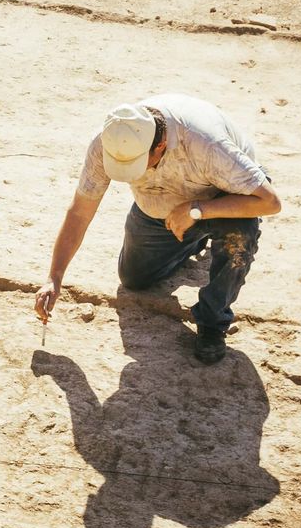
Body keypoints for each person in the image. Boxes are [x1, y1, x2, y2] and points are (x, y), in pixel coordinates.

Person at [36, 95, 283, 364]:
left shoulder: (206, 144)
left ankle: (213, 321)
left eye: (137, 165)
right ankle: (193, 240)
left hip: (223, 201)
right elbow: (80, 212)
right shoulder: (109, 141)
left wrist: (196, 210)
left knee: (239, 237)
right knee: (134, 279)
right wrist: (54, 277)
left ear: (161, 145)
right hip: (159, 210)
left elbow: (270, 202)